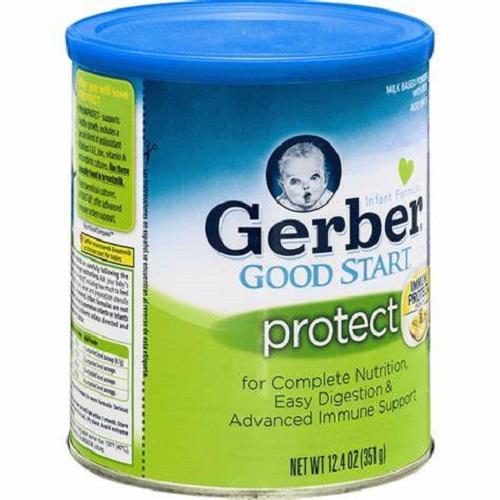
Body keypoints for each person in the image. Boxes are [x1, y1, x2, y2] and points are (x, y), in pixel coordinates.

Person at [276, 142, 333, 211]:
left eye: (313, 178)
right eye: (295, 181)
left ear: (325, 181)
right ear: (283, 186)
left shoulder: (330, 199)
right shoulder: (280, 205)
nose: (306, 186)